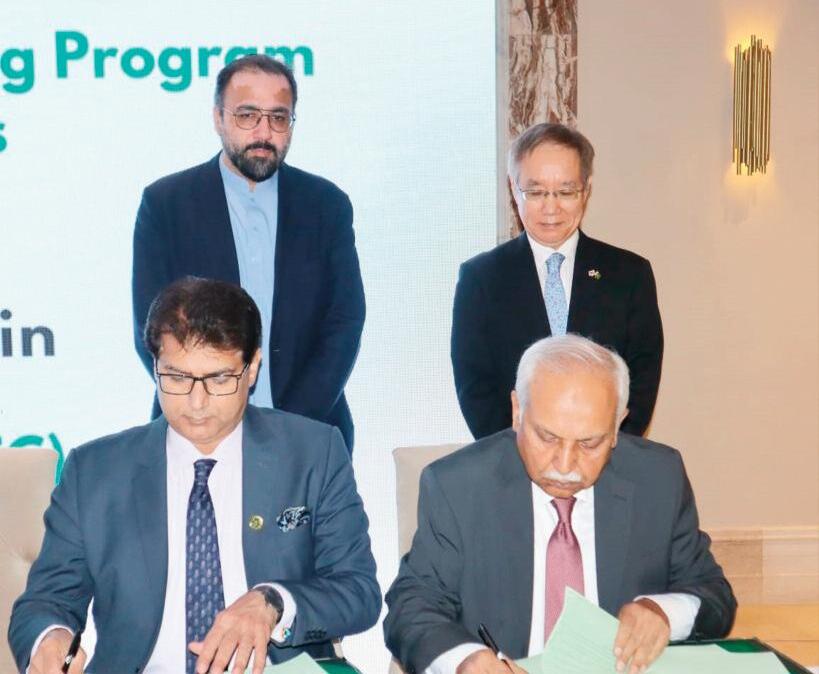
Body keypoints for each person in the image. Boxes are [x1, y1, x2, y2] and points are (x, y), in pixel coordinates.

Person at [10, 277, 380, 674]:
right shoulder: (95, 471)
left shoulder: (313, 452)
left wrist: (274, 602)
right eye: (177, 378)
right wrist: (50, 638)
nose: (196, 402)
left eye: (219, 379)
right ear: (155, 367)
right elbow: (45, 602)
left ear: (252, 367)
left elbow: (358, 592)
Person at [385, 334, 735, 674]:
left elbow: (714, 595)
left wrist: (662, 613)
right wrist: (465, 660)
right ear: (517, 411)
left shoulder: (658, 479)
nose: (565, 465)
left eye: (589, 443)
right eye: (547, 437)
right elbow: (411, 606)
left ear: (617, 427)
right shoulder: (458, 487)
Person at [132, 54, 364, 452]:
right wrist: (208, 409)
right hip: (196, 432)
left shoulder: (326, 205)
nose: (263, 132)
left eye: (278, 118)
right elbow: (151, 328)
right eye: (247, 116)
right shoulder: (166, 204)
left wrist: (291, 426)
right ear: (218, 118)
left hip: (309, 435)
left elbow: (345, 321)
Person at [451, 123, 663, 440]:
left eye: (566, 192)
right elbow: (475, 388)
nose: (551, 207)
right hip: (515, 459)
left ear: (586, 190)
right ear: (513, 189)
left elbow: (641, 382)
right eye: (535, 192)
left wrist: (597, 452)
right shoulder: (481, 280)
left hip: (609, 458)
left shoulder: (630, 275)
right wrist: (527, 453)